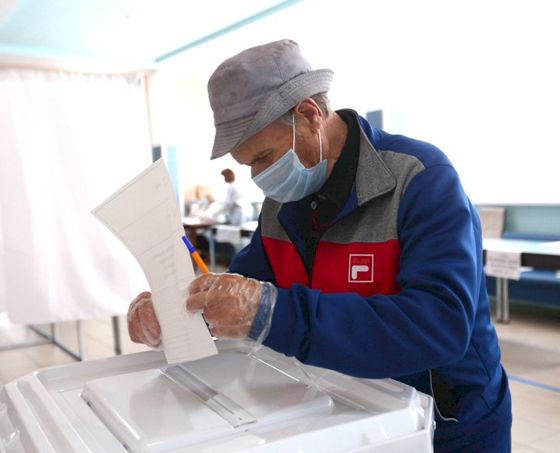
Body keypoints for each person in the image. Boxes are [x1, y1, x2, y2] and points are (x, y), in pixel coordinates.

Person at [128, 39, 511, 452]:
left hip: (448, 422)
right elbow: (242, 290)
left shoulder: (420, 179)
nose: (260, 178)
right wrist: (176, 309)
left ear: (310, 115)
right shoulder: (279, 206)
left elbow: (440, 325)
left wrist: (272, 313)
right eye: (249, 165)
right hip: (353, 413)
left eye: (264, 157)